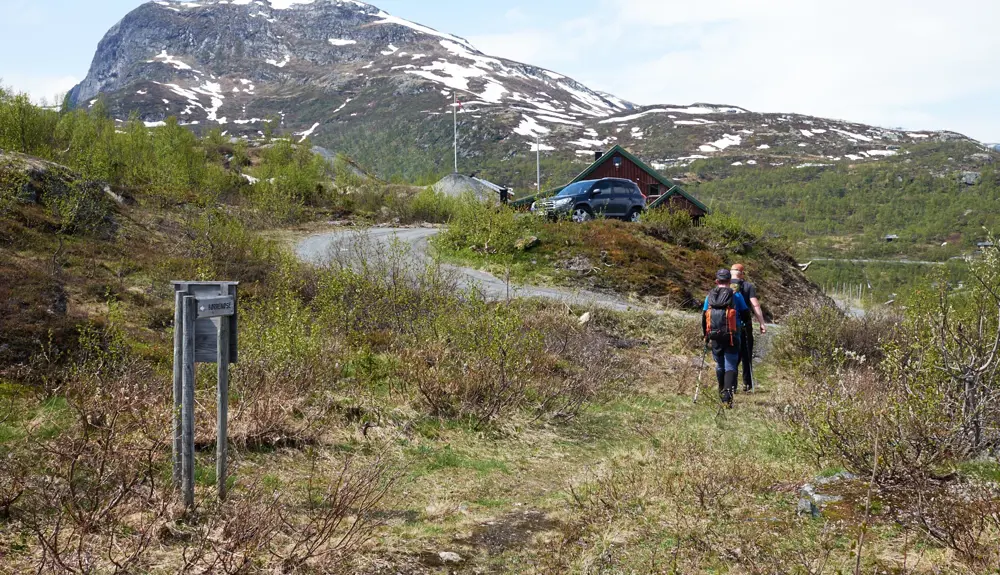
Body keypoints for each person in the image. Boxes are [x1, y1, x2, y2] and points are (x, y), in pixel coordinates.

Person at [702, 269, 748, 407]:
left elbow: (704, 317)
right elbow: (746, 315)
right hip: (732, 335)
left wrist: (705, 334)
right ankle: (727, 395)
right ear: (729, 281)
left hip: (714, 335)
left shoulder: (710, 296)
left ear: (717, 281)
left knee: (720, 365)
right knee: (730, 364)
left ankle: (721, 390)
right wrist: (745, 327)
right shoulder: (736, 296)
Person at [730, 264, 767, 392]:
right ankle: (747, 384)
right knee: (746, 353)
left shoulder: (723, 284)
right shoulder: (747, 286)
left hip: (727, 324)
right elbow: (755, 305)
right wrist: (761, 322)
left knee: (732, 354)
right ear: (742, 273)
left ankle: (731, 385)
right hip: (744, 323)